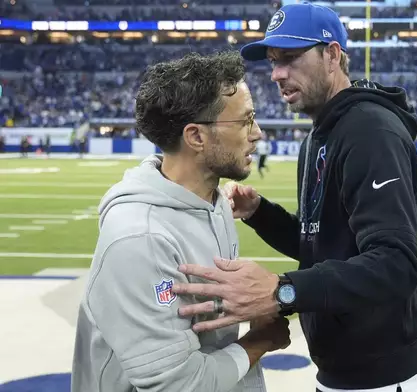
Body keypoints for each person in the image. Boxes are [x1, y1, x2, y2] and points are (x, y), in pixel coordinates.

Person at [171, 3, 417, 392]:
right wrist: (262, 213)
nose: (277, 74)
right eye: (274, 62)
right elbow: (321, 243)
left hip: (385, 377)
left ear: (332, 55)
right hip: (340, 371)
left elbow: (397, 264)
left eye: (291, 58)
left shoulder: (369, 132)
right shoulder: (318, 135)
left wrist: (282, 291)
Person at [71, 51, 291, 392]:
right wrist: (260, 341)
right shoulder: (139, 237)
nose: (258, 133)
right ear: (196, 137)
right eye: (245, 121)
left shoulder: (215, 203)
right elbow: (176, 384)